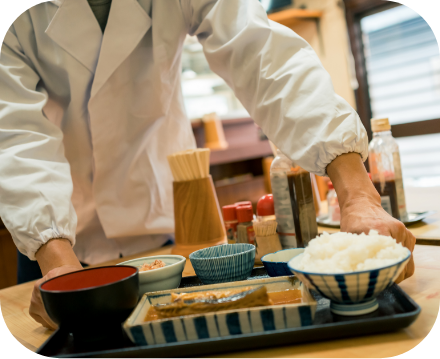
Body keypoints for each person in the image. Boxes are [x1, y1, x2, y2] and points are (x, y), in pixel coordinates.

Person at [0, 0, 415, 330]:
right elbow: (15, 136)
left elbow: (265, 58)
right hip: (53, 239)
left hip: (162, 231)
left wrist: (359, 197)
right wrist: (57, 264)